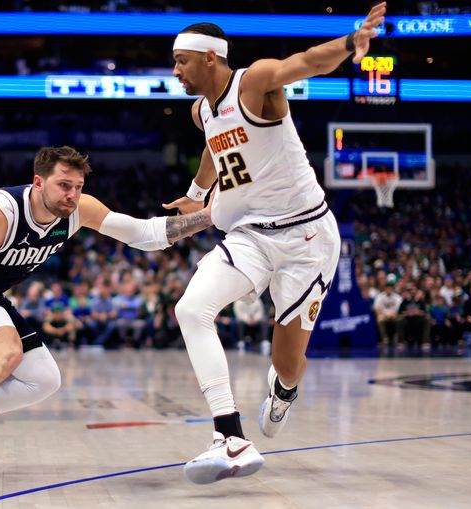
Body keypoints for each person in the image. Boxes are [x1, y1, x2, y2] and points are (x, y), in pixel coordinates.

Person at [0, 146, 214, 490]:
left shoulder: (78, 211)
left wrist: (211, 216)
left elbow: (144, 235)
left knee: (42, 379)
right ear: (38, 182)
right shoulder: (0, 210)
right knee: (5, 351)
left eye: (78, 187)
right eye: (64, 185)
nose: (72, 195)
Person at [161, 3, 386, 484]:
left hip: (306, 237)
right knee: (190, 309)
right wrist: (197, 194)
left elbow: (305, 62)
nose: (174, 69)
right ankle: (230, 434)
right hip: (250, 235)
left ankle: (284, 392)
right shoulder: (201, 111)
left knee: (287, 363)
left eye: (181, 60)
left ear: (210, 59)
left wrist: (351, 44)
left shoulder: (255, 81)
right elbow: (213, 146)